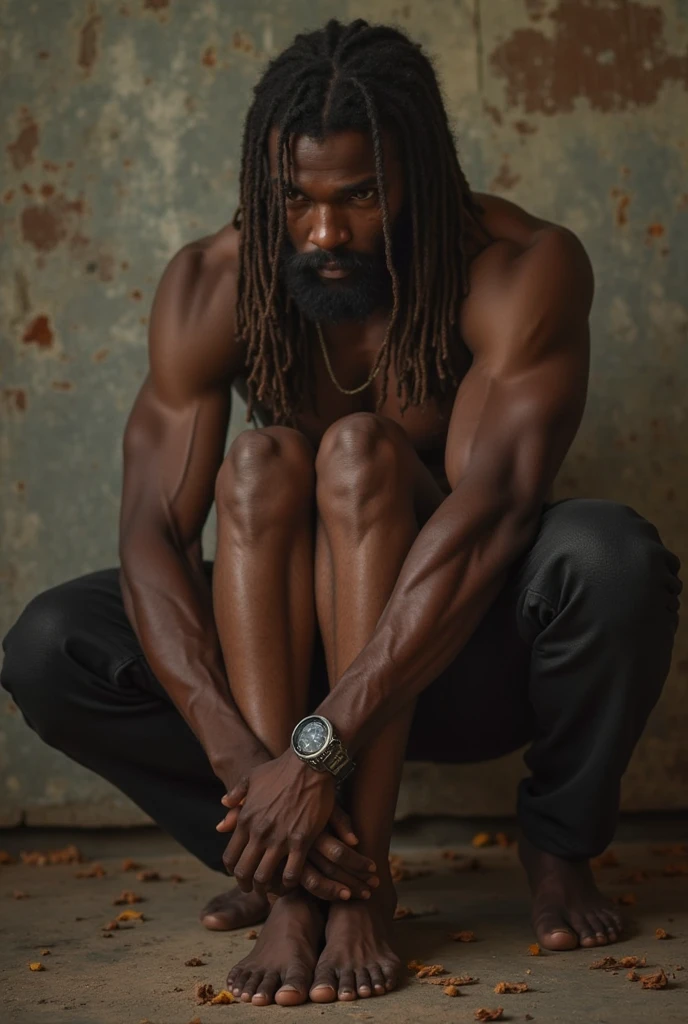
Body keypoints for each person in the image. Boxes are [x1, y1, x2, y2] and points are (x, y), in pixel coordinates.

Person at [1, 18, 681, 1008]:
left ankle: (555, 846)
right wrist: (255, 767)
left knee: (602, 555)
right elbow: (150, 532)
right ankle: (296, 871)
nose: (324, 232)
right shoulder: (214, 285)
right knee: (61, 636)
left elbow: (490, 515)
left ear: (418, 175)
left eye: (359, 195)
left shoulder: (514, 266)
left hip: (451, 653)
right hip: (279, 667)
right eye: (298, 201)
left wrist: (319, 748)